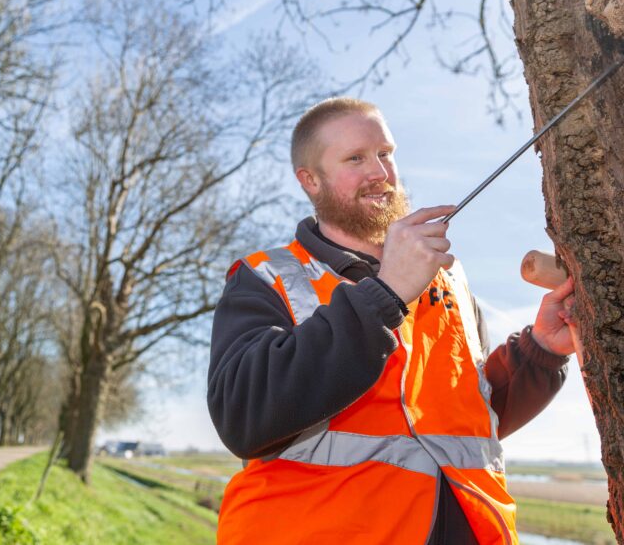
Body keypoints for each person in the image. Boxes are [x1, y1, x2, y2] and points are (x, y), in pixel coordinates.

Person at [207, 98, 579, 545]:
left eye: (385, 153)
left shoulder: (449, 280)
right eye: (355, 158)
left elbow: (471, 418)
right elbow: (243, 416)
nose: (380, 173)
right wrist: (385, 295)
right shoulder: (266, 276)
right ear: (311, 180)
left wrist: (540, 351)